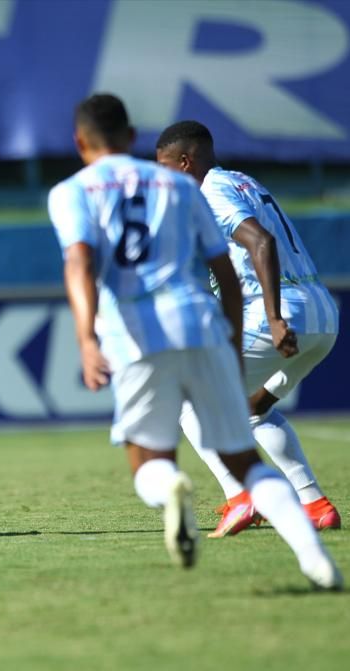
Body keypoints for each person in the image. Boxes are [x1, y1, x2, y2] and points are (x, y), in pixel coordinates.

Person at [48, 94, 341, 589]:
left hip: (141, 336)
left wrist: (85, 338)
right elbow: (224, 271)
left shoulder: (72, 192)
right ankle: (315, 548)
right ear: (131, 137)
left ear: (79, 142)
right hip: (226, 322)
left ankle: (222, 494)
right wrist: (227, 339)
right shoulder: (182, 187)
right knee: (249, 434)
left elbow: (79, 264)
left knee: (153, 460)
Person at [155, 121, 341, 537]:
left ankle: (241, 497)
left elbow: (260, 242)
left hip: (277, 312)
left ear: (185, 163)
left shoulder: (210, 191)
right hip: (323, 315)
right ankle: (314, 504)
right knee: (256, 409)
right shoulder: (243, 181)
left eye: (166, 168)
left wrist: (274, 319)